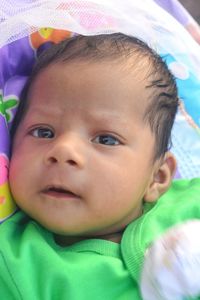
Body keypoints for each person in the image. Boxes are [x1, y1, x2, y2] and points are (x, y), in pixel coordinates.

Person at [0, 33, 200, 299]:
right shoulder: (15, 262)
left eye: (106, 139)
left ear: (157, 177)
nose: (63, 151)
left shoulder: (190, 203)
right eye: (43, 132)